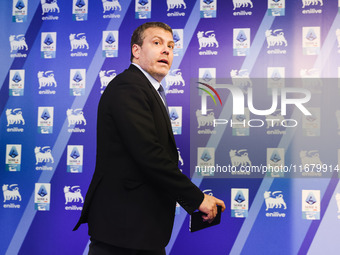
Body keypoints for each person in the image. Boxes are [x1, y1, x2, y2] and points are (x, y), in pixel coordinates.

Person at [73, 22, 225, 255]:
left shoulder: (146, 89)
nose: (166, 50)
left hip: (140, 231)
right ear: (136, 50)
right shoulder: (128, 87)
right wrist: (197, 199)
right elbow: (149, 155)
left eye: (171, 46)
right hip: (123, 232)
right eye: (157, 43)